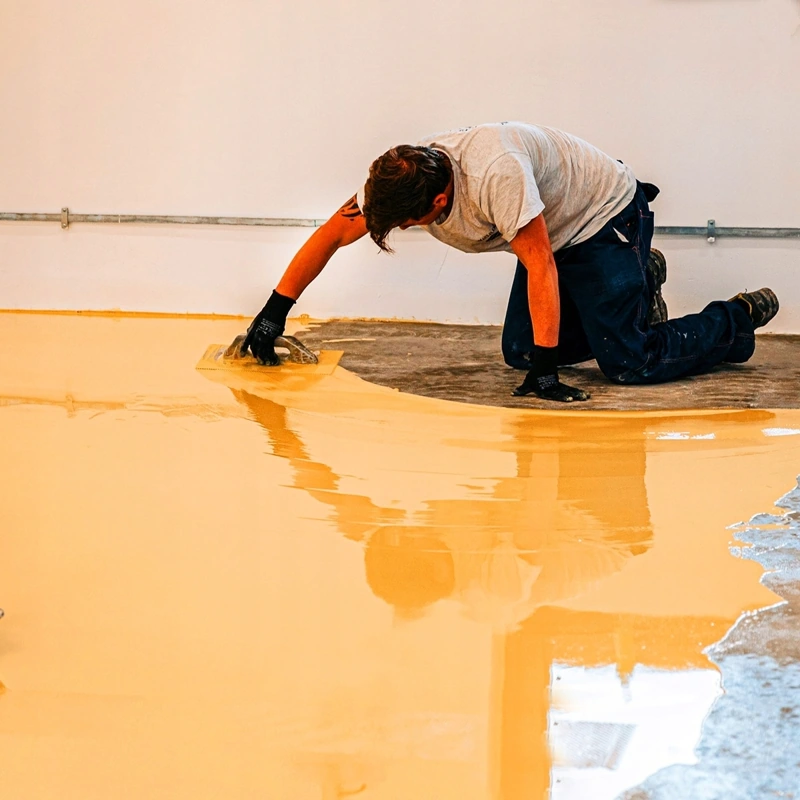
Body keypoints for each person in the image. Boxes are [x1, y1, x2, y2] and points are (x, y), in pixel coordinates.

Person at [240, 122, 779, 403]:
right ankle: (637, 285)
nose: (402, 230)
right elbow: (334, 234)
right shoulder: (394, 180)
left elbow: (541, 263)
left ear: (437, 203)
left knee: (628, 362)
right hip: (551, 229)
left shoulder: (497, 176)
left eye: (408, 224)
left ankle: (735, 319)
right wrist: (273, 312)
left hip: (602, 218)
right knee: (523, 352)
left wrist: (551, 374)